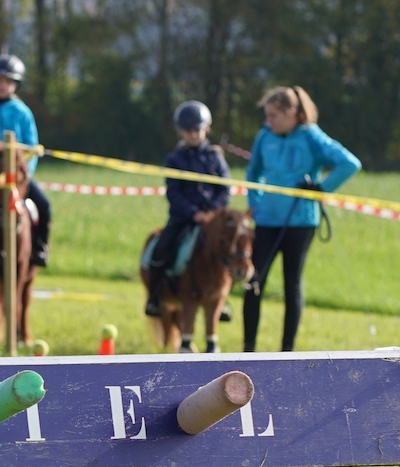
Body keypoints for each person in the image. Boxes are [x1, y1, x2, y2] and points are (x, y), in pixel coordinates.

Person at [242, 85, 360, 351]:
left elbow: (350, 163)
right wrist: (255, 203)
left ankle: (287, 352)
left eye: (274, 115)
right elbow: (253, 172)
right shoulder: (264, 136)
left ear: (292, 113)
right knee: (254, 282)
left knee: (291, 284)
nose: (268, 121)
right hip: (266, 221)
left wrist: (322, 189)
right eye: (267, 115)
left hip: (300, 222)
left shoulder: (311, 135)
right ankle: (248, 349)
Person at [145, 101, 232, 318]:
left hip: (212, 219)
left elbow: (224, 190)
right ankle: (155, 296)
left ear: (206, 129)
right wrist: (193, 213)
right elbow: (174, 193)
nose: (192, 134)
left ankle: (221, 300)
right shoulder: (174, 159)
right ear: (180, 131)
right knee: (161, 249)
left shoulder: (215, 157)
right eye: (187, 130)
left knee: (229, 250)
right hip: (183, 218)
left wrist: (211, 213)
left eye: (196, 130)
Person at [0, 55, 52, 270]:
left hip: (17, 177)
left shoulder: (22, 112)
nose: (2, 85)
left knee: (44, 204)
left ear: (15, 85)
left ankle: (40, 247)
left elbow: (32, 147)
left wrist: (23, 176)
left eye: (7, 81)